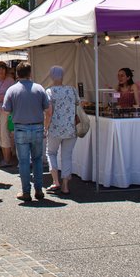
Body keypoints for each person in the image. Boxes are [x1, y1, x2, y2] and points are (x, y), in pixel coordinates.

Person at [2, 61, 50, 202]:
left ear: (17, 74)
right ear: (30, 73)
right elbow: (47, 109)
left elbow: (6, 109)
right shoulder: (39, 88)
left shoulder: (12, 90)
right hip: (37, 126)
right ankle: (39, 189)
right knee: (37, 160)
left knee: (23, 161)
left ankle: (26, 191)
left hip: (21, 127)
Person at [45, 65, 78, 195]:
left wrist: (45, 127)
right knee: (67, 156)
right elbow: (78, 104)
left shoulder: (49, 91)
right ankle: (65, 185)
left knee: (51, 153)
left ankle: (55, 181)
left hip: (55, 128)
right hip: (70, 128)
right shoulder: (72, 89)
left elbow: (48, 112)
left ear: (52, 76)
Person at [0, 61, 16, 167]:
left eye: (3, 68)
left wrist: (2, 98)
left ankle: (7, 159)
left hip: (6, 110)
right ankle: (6, 157)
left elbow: (13, 95)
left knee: (4, 133)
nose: (1, 70)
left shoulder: (10, 81)